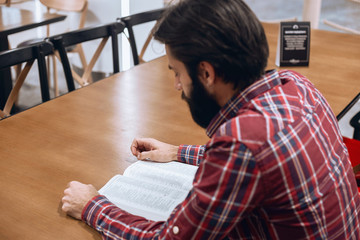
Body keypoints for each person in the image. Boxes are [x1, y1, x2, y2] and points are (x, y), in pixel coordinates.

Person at [61, 0, 360, 239]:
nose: (177, 86)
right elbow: (265, 158)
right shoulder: (295, 84)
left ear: (206, 73)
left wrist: (92, 206)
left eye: (177, 72)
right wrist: (178, 152)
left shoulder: (243, 143)